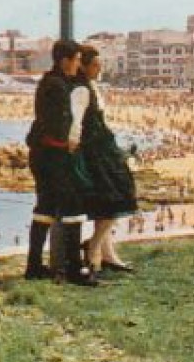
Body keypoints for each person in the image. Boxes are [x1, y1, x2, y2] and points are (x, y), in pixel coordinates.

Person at [23, 40, 99, 286]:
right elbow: (62, 121)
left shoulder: (51, 82)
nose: (79, 65)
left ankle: (34, 266)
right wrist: (71, 143)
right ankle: (74, 269)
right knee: (72, 208)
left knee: (45, 209)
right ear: (66, 61)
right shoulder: (57, 85)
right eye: (77, 60)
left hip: (43, 154)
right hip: (55, 156)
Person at [73, 45, 141, 275]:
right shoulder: (82, 89)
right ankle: (94, 248)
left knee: (111, 200)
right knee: (112, 199)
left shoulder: (88, 86)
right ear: (82, 65)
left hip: (103, 148)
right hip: (96, 151)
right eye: (95, 65)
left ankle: (106, 253)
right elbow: (77, 125)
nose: (99, 69)